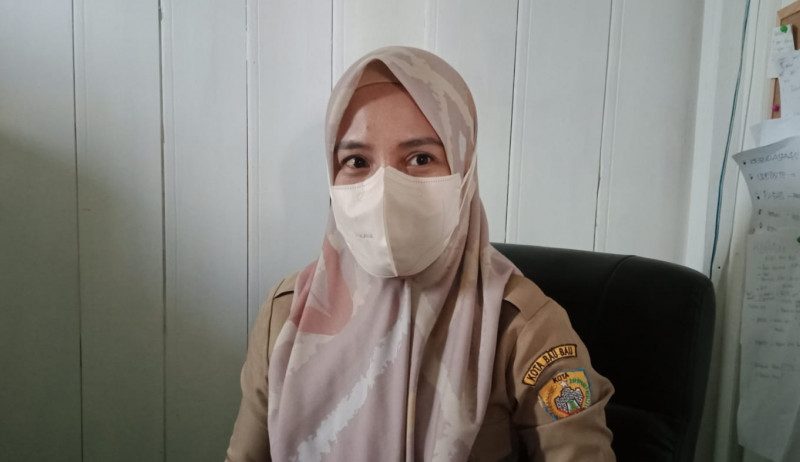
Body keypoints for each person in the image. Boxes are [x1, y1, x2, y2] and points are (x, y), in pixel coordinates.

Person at [226, 46, 615, 461]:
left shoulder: (521, 328)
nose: (385, 189)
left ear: (464, 171)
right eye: (356, 160)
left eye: (420, 158)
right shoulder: (289, 314)